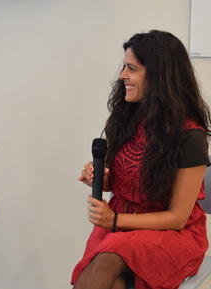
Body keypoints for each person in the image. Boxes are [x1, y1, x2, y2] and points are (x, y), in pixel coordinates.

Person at [71, 30, 211, 289]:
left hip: (170, 234)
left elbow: (177, 218)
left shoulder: (190, 137)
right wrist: (103, 179)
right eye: (124, 67)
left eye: (132, 68)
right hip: (120, 221)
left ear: (159, 76)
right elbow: (122, 182)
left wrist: (114, 221)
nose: (123, 75)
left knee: (109, 253)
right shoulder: (127, 117)